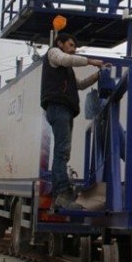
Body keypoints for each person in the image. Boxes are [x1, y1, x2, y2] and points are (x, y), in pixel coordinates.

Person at [41, 32, 106, 208]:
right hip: (58, 108)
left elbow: (80, 84)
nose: (73, 49)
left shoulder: (65, 70)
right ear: (59, 43)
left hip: (64, 110)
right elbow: (66, 59)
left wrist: (96, 76)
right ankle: (62, 192)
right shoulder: (53, 54)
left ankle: (62, 192)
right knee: (62, 151)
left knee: (64, 151)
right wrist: (91, 61)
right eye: (70, 45)